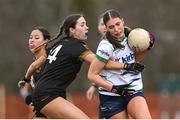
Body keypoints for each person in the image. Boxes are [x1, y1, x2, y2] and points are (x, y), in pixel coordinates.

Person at [31, 13, 144, 119]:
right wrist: (126, 65)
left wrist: (27, 78)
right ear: (72, 30)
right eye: (82, 25)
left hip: (45, 93)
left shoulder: (60, 43)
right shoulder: (76, 46)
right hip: (47, 95)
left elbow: (37, 64)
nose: (87, 27)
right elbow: (102, 63)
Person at [88, 9, 155, 119]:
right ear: (106, 28)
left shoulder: (133, 37)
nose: (116, 29)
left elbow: (134, 60)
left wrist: (146, 49)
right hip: (111, 96)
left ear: (123, 21)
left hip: (133, 90)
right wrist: (114, 88)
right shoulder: (106, 46)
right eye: (111, 27)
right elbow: (92, 75)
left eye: (118, 24)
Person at [18, 26, 52, 118]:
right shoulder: (34, 64)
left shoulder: (50, 59)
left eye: (37, 38)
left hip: (53, 109)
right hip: (42, 111)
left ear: (46, 41)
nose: (32, 40)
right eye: (30, 37)